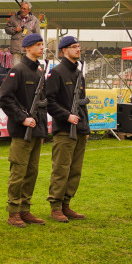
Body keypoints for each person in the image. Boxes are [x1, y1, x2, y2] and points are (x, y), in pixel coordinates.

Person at [0, 33, 49, 227]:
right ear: (27, 48)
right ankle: (13, 212)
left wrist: (42, 131)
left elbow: (42, 105)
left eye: (42, 44)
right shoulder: (17, 70)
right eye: (37, 45)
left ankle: (25, 209)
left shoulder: (38, 72)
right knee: (18, 172)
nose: (41, 48)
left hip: (36, 131)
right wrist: (22, 118)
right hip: (22, 132)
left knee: (32, 172)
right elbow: (5, 98)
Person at [44, 35, 89, 223]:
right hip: (64, 129)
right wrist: (66, 116)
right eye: (73, 47)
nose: (78, 49)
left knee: (75, 169)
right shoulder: (57, 73)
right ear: (64, 51)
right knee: (61, 169)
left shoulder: (79, 73)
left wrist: (85, 128)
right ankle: (55, 206)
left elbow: (83, 103)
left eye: (79, 46)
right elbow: (49, 102)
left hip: (78, 129)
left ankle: (66, 204)